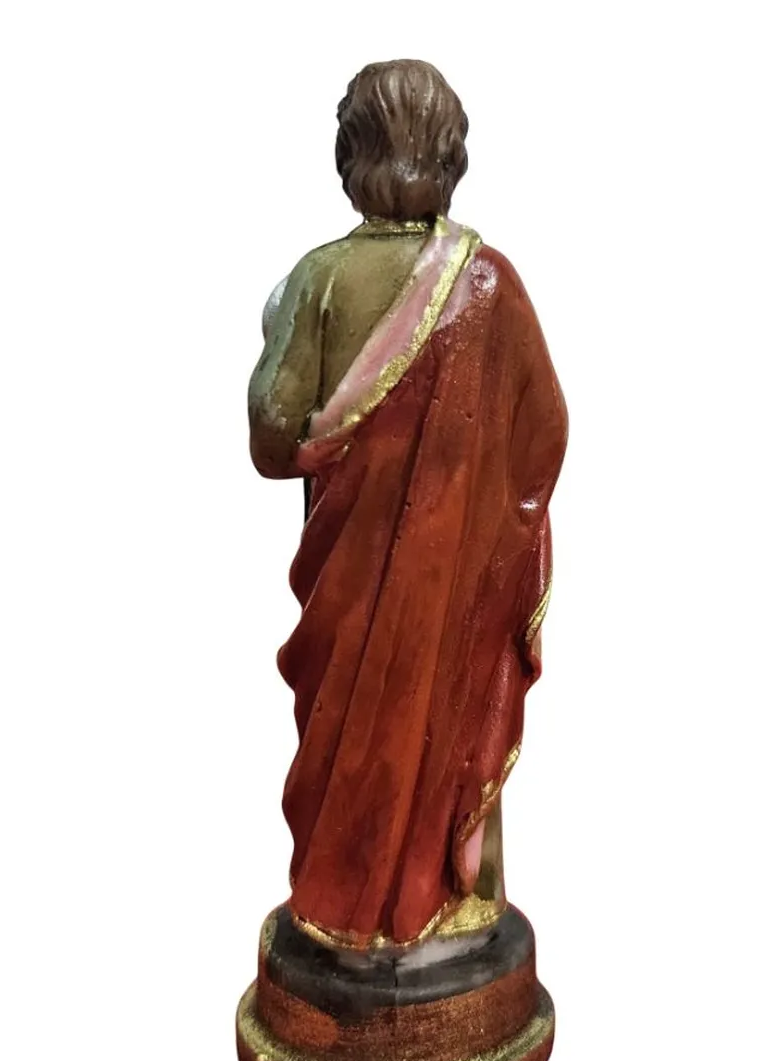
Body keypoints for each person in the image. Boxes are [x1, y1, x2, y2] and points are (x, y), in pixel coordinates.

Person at [248, 60, 568, 948]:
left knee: (349, 745)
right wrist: (479, 532)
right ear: (453, 157)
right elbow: (543, 435)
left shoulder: (318, 281)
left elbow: (272, 442)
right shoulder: (490, 284)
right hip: (451, 600)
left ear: (350, 156)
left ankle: (340, 908)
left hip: (348, 593)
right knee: (437, 725)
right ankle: (438, 896)